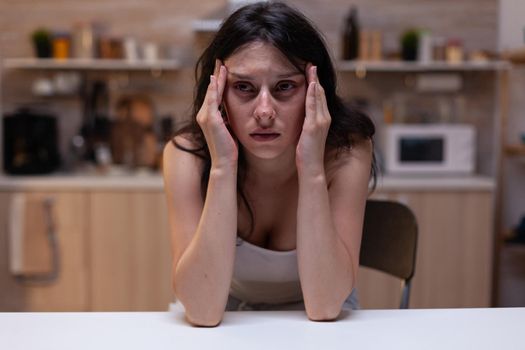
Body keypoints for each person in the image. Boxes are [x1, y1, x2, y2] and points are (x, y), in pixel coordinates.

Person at [162, 1, 376, 327]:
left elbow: (325, 306)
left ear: (314, 91)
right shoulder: (187, 156)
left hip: (321, 322)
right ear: (217, 93)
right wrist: (222, 167)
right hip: (224, 314)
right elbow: (203, 311)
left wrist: (312, 168)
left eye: (285, 87)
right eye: (243, 87)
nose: (264, 111)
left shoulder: (347, 153)